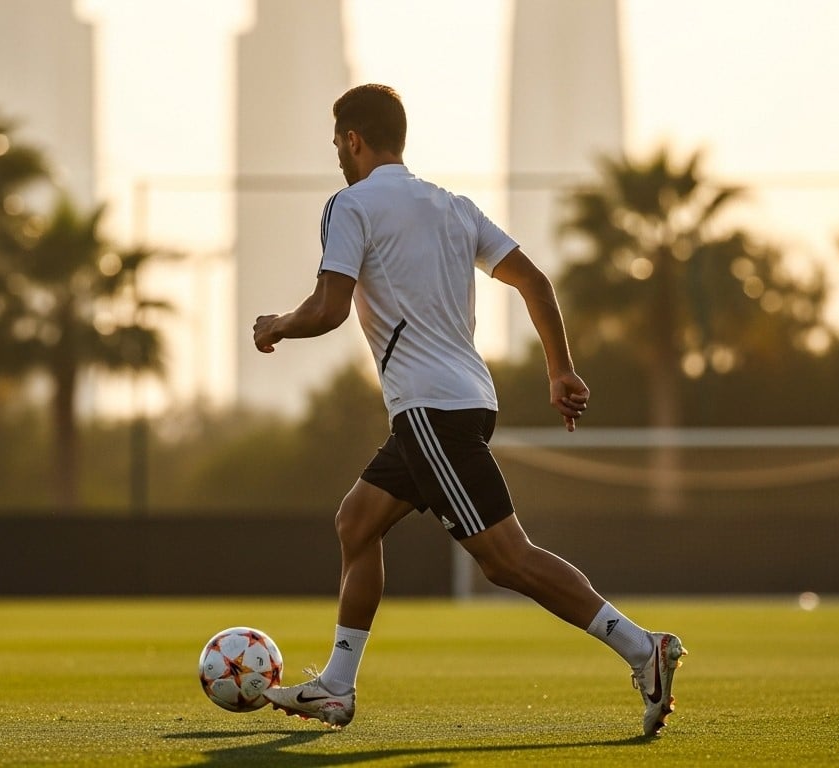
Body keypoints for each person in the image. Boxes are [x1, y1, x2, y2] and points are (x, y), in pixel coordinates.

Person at [252, 84, 685, 737]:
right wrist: (559, 368)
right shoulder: (452, 207)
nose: (339, 154)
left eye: (338, 143)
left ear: (353, 140)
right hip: (464, 402)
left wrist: (275, 325)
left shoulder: (350, 204)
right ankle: (337, 688)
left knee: (506, 559)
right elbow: (534, 281)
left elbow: (329, 307)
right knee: (356, 523)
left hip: (430, 410)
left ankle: (639, 646)